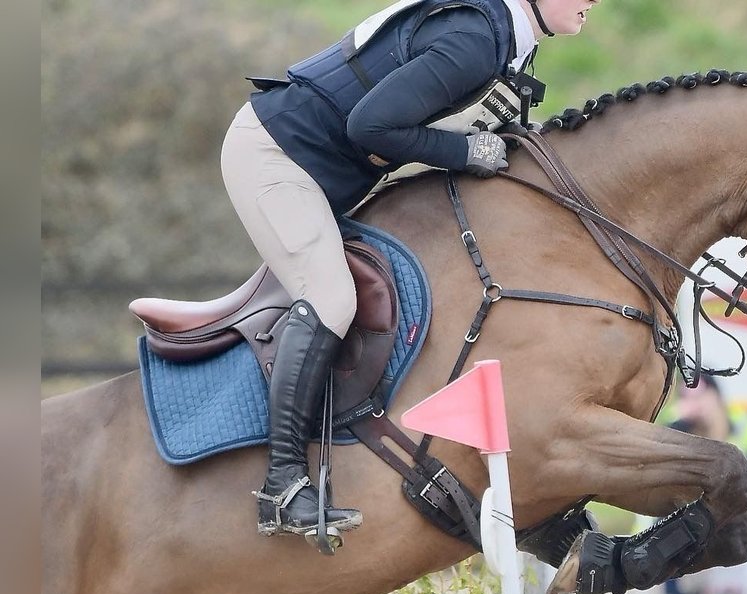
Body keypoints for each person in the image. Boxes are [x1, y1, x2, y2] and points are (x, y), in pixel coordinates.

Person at [221, 0, 600, 543]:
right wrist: (466, 151)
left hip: (326, 167)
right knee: (331, 298)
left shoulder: (506, 38)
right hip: (277, 158)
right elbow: (370, 125)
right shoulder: (476, 37)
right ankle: (282, 486)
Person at [663, 373, 747, 594]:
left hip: (737, 510)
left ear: (717, 397)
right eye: (686, 397)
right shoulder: (677, 429)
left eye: (699, 396)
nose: (695, 404)